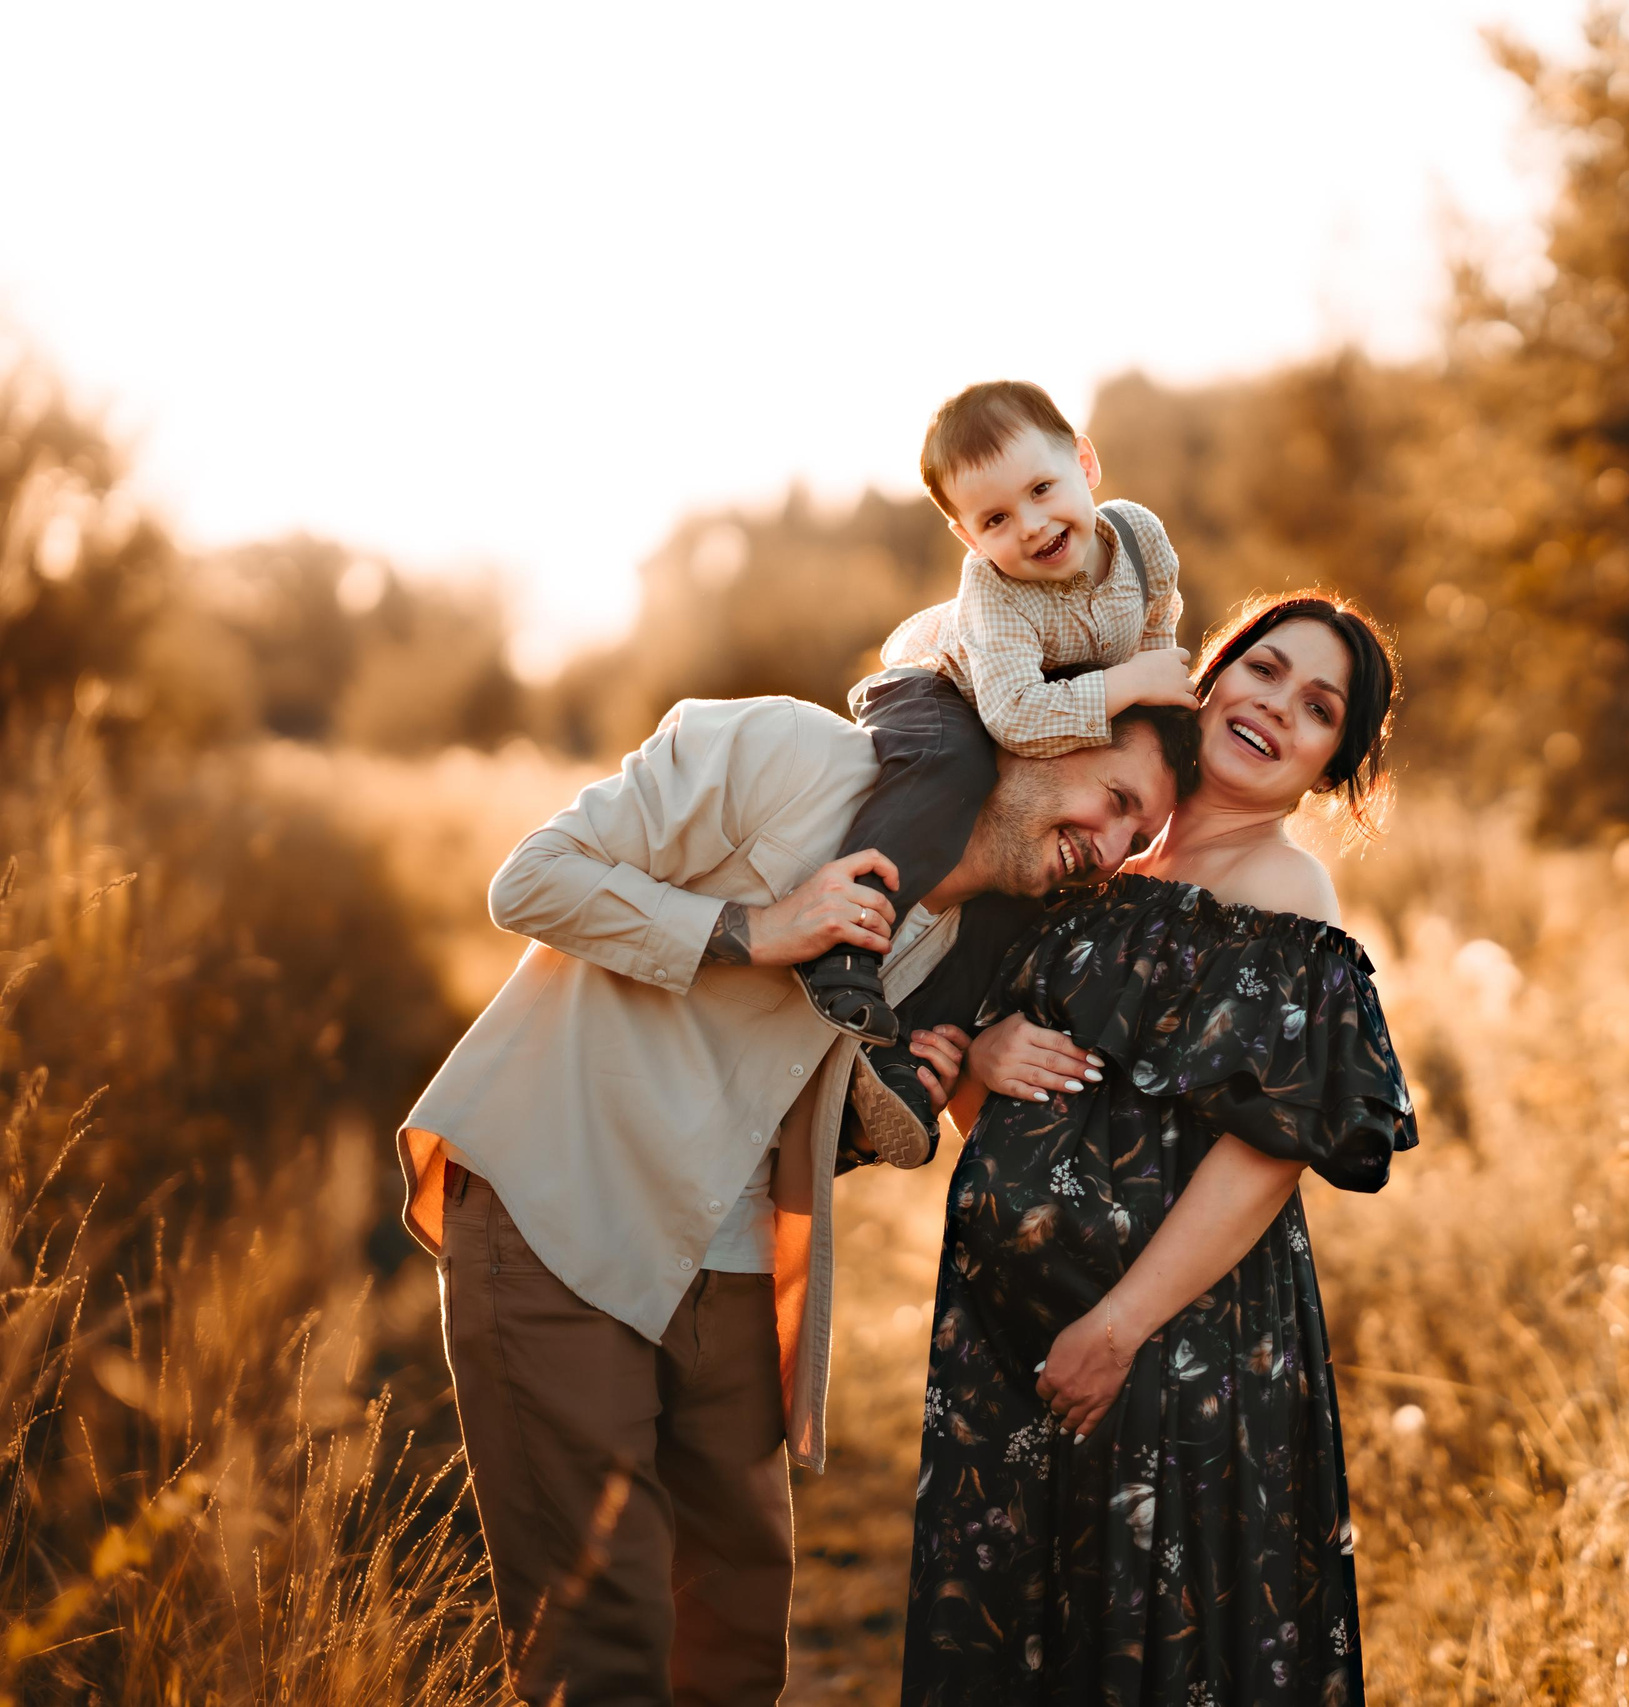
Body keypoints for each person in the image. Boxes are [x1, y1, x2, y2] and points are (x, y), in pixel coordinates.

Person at [396, 690, 1195, 1707]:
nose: (1115, 843)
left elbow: (810, 1102)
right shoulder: (781, 752)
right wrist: (751, 927)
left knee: (732, 1642)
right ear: (1045, 737)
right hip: (558, 1199)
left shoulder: (980, 948)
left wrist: (904, 1093)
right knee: (604, 1645)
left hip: (734, 1256)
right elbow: (532, 882)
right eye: (1116, 797)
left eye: (1141, 833)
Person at [903, 594, 1415, 1706]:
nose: (1276, 708)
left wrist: (1118, 1325)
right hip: (1011, 1342)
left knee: (1150, 1647)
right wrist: (985, 1053)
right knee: (1027, 1637)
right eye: (1264, 671)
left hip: (1172, 1350)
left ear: (1331, 764)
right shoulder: (1100, 855)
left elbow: (1266, 1152)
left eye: (1316, 708)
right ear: (1210, 676)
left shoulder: (1284, 895)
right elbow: (1007, 1108)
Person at [795, 381, 1196, 1092]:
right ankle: (846, 937)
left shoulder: (1138, 537)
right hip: (940, 690)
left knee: (1009, 896)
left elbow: (1156, 628)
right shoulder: (994, 588)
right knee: (951, 768)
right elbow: (1013, 715)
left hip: (1044, 705)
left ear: (1086, 461)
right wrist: (1127, 684)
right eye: (997, 518)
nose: (1033, 525)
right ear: (968, 536)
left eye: (1043, 487)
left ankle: (911, 1050)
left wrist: (1155, 698)